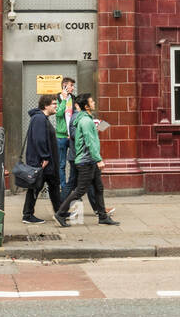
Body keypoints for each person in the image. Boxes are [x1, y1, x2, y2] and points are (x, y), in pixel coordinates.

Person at [54, 93, 119, 226]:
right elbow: (90, 142)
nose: (94, 103)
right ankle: (60, 214)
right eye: (92, 101)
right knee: (80, 190)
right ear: (86, 106)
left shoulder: (87, 119)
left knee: (98, 188)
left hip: (89, 160)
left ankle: (102, 216)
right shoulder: (86, 121)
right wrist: (98, 159)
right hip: (86, 161)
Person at [22, 94, 63, 224]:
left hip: (46, 162)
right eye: (54, 104)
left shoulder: (42, 118)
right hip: (42, 162)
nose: (56, 106)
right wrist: (45, 157)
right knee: (35, 187)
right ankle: (27, 215)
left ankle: (60, 212)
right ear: (46, 106)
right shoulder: (39, 119)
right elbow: (40, 140)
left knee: (54, 185)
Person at [53, 77, 76, 196]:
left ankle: (72, 188)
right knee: (61, 164)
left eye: (73, 86)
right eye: (71, 85)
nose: (73, 88)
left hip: (72, 137)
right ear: (64, 86)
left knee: (74, 163)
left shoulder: (74, 99)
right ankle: (63, 188)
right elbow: (59, 114)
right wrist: (63, 99)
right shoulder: (57, 99)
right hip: (61, 137)